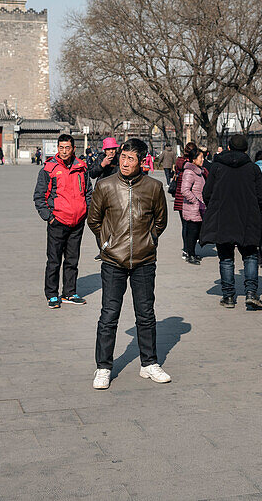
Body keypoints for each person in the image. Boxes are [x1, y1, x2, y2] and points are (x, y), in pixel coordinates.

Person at [87, 138, 169, 390]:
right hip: (113, 260)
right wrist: (107, 243)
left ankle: (149, 363)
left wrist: (148, 239)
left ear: (142, 161)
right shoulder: (105, 185)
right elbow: (94, 220)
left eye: (131, 158)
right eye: (123, 157)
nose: (124, 162)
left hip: (144, 259)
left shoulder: (154, 187)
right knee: (109, 315)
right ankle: (103, 367)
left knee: (145, 313)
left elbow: (160, 220)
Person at [201, 134, 262, 310]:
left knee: (226, 257)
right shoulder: (252, 168)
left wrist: (215, 207)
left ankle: (229, 296)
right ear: (246, 149)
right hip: (247, 218)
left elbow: (207, 193)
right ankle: (251, 293)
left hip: (223, 218)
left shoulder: (217, 167)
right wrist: (253, 209)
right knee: (250, 255)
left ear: (229, 147)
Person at [34, 134, 92, 309]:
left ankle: (69, 292)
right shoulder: (49, 168)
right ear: (57, 149)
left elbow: (88, 191)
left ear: (74, 149)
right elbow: (39, 196)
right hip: (57, 221)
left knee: (72, 260)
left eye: (67, 148)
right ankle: (52, 294)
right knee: (54, 260)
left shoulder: (82, 167)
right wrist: (49, 217)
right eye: (61, 148)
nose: (64, 151)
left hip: (77, 222)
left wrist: (85, 211)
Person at [173, 142, 200, 260]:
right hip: (186, 198)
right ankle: (188, 250)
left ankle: (187, 249)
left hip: (180, 198)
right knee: (189, 226)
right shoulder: (189, 166)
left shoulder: (180, 162)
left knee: (186, 226)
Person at [180, 147, 207, 265]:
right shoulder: (189, 172)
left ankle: (192, 253)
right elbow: (184, 190)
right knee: (191, 233)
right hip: (192, 208)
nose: (203, 160)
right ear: (194, 159)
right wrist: (195, 201)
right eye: (201, 157)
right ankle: (189, 254)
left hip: (198, 207)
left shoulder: (199, 172)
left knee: (195, 232)